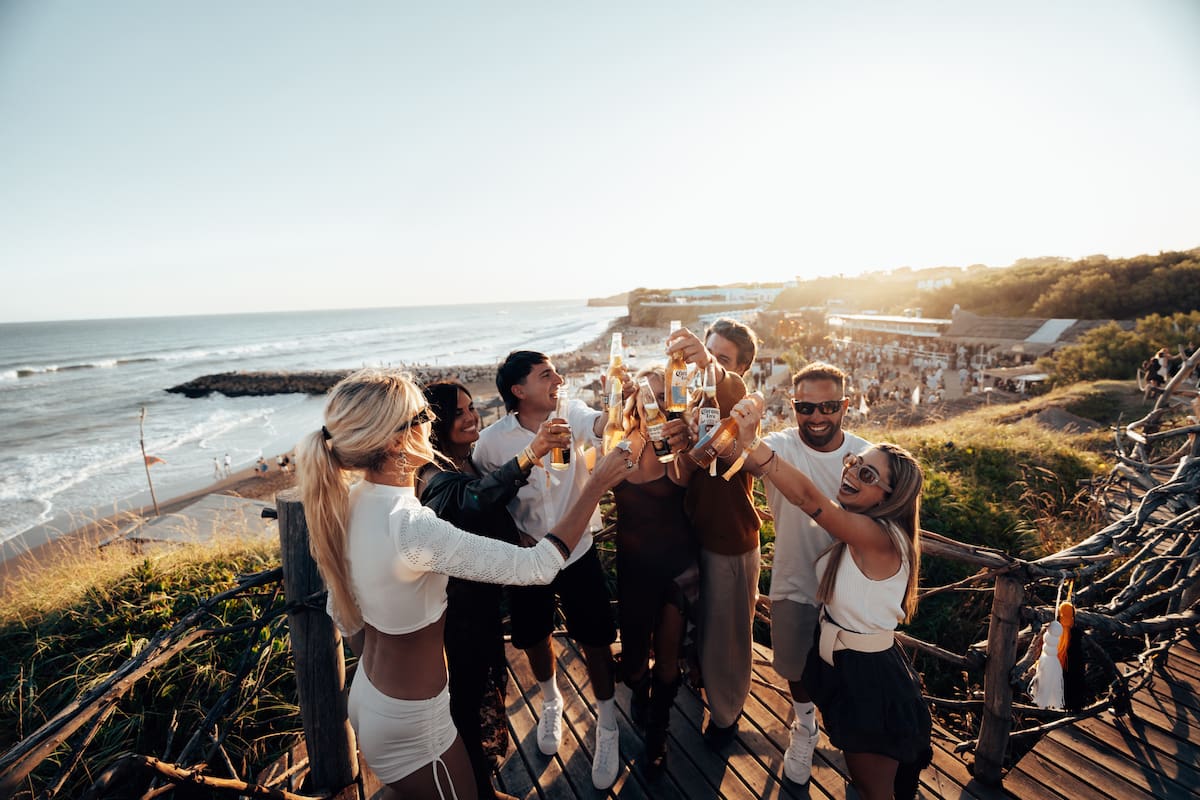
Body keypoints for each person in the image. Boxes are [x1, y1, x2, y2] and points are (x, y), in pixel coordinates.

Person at [296, 368, 631, 800]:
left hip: (370, 697)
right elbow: (539, 567)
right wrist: (599, 482)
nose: (431, 425)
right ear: (398, 440)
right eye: (422, 417)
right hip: (416, 724)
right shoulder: (410, 526)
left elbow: (344, 617)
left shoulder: (346, 503)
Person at [473, 350, 689, 789]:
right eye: (544, 374)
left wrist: (626, 400)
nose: (557, 377)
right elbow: (484, 497)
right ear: (518, 391)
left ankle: (607, 720)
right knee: (532, 636)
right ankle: (551, 700)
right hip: (528, 558)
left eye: (555, 371)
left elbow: (601, 424)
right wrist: (512, 537)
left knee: (595, 638)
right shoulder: (492, 442)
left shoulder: (570, 412)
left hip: (578, 551)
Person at [731, 392, 932, 800]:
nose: (853, 474)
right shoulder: (865, 528)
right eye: (856, 464)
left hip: (869, 677)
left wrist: (754, 443)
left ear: (890, 498)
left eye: (869, 476)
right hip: (845, 663)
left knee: (874, 791)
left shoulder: (878, 537)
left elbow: (807, 498)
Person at [416, 379, 564, 800]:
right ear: (438, 424)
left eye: (470, 407)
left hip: (482, 605)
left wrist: (518, 540)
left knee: (488, 686)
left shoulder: (466, 461)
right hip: (458, 611)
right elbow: (474, 502)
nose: (470, 416)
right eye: (458, 412)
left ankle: (481, 781)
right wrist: (531, 454)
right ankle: (476, 789)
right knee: (465, 701)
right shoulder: (433, 474)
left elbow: (485, 513)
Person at [760, 362, 869, 784]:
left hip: (851, 591)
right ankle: (804, 726)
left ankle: (854, 742)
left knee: (851, 674)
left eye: (827, 406)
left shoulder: (865, 453)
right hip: (793, 581)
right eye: (806, 407)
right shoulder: (780, 446)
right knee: (796, 669)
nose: (817, 416)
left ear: (845, 405)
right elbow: (735, 449)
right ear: (793, 407)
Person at [664, 318, 762, 748]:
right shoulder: (688, 400)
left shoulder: (739, 399)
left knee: (728, 635)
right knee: (699, 624)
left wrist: (709, 364)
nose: (711, 364)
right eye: (710, 351)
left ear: (737, 368)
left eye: (723, 358)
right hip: (691, 536)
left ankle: (726, 716)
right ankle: (696, 679)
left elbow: (729, 389)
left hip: (728, 538)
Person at [610, 366, 697, 773]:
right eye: (647, 395)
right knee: (631, 666)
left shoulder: (684, 451)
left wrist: (684, 432)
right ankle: (639, 696)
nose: (655, 403)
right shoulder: (617, 446)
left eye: (664, 397)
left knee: (667, 659)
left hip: (678, 570)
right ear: (634, 399)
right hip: (634, 572)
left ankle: (658, 733)